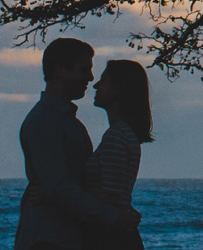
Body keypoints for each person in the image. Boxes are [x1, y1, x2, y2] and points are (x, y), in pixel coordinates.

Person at [14, 38, 140, 250]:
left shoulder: (70, 123)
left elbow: (73, 186)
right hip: (49, 238)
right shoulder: (45, 121)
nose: (90, 78)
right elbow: (60, 188)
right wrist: (113, 215)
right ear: (61, 71)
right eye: (84, 70)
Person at [83, 60, 153, 250]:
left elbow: (112, 196)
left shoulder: (116, 136)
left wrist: (59, 195)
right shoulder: (124, 134)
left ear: (118, 89)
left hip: (111, 236)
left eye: (103, 81)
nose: (96, 85)